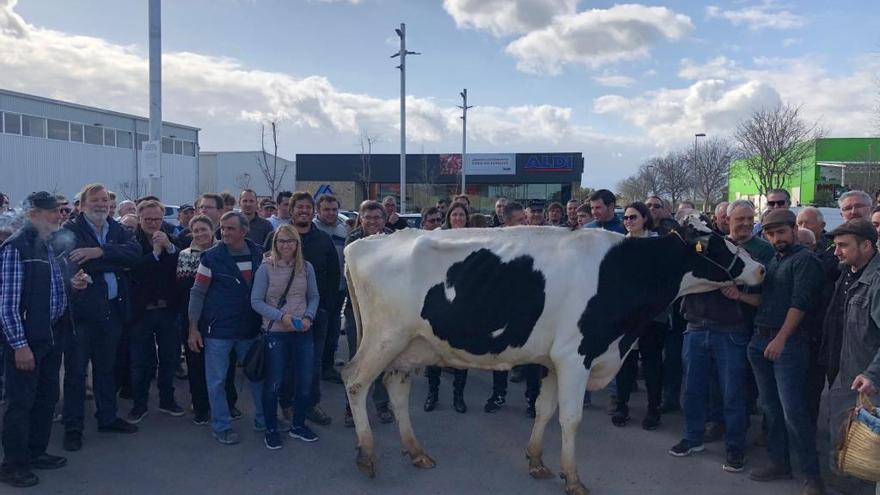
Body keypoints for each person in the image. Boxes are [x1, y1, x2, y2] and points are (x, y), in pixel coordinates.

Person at [668, 199, 774, 473]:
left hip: (731, 331)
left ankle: (735, 449)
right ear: (725, 220)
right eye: (740, 219)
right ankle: (692, 439)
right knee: (692, 390)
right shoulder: (709, 245)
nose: (746, 224)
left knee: (733, 394)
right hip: (695, 327)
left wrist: (739, 295)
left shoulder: (763, 250)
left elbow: (767, 298)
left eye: (751, 219)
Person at [0, 192, 84, 488]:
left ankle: (35, 452)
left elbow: (51, 288)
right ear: (33, 214)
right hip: (27, 341)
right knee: (20, 404)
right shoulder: (16, 248)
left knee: (46, 398)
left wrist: (72, 284)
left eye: (61, 211)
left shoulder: (49, 244)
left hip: (51, 336)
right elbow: (7, 304)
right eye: (53, 212)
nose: (59, 216)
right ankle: (13, 465)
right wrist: (19, 345)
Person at [738, 209, 826, 494]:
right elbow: (768, 299)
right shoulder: (775, 261)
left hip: (787, 344)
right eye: (770, 234)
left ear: (792, 230)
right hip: (760, 340)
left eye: (781, 232)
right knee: (770, 407)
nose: (776, 238)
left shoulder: (805, 261)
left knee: (793, 411)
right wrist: (738, 294)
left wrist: (782, 338)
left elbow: (799, 303)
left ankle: (812, 477)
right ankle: (779, 462)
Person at [61, 184, 140, 453]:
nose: (101, 204)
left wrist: (99, 252)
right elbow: (71, 261)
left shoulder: (116, 228)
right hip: (82, 315)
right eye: (94, 200)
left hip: (112, 314)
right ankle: (73, 428)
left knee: (106, 370)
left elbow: (135, 253)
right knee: (75, 374)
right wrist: (115, 259)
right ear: (82, 205)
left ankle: (107, 418)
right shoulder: (70, 230)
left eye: (104, 200)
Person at [187, 211, 265, 445]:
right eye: (222, 227)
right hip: (218, 331)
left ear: (244, 231)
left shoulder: (259, 254)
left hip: (250, 329)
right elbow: (197, 292)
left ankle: (264, 419)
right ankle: (221, 426)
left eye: (230, 228)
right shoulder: (210, 258)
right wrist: (193, 328)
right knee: (217, 381)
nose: (224, 232)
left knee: (258, 376)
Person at [267, 192, 340, 427]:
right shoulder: (275, 236)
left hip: (316, 313)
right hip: (282, 315)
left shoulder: (323, 241)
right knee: (285, 362)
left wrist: (325, 308)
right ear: (290, 209)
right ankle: (286, 403)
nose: (303, 211)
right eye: (299, 207)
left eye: (308, 207)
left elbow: (333, 275)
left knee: (313, 362)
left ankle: (310, 404)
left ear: (313, 211)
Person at [821, 219, 880, 494]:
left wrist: (872, 374)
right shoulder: (850, 273)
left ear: (866, 245)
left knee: (863, 459)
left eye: (843, 246)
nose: (836, 252)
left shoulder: (876, 282)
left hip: (864, 384)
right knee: (843, 451)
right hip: (843, 376)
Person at [251, 224, 320, 449]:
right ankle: (271, 428)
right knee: (274, 382)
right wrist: (282, 317)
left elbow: (314, 296)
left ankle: (298, 425)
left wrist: (309, 316)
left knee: (305, 381)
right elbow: (256, 301)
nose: (286, 245)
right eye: (281, 241)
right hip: (276, 333)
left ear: (297, 244)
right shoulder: (266, 268)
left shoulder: (306, 267)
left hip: (302, 332)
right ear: (275, 243)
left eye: (291, 241)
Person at [125, 200, 183, 424]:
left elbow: (181, 266)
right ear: (139, 218)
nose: (152, 223)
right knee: (140, 361)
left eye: (156, 219)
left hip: (168, 310)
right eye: (147, 219)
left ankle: (167, 400)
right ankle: (140, 405)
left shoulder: (171, 239)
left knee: (169, 358)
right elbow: (135, 271)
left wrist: (168, 248)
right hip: (141, 312)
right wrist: (155, 255)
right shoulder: (131, 241)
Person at [612, 202, 664, 431]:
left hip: (653, 316)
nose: (628, 221)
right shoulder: (620, 244)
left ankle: (654, 409)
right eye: (626, 218)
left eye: (633, 217)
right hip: (627, 316)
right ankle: (622, 405)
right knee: (625, 363)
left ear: (644, 218)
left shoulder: (657, 243)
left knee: (652, 363)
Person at [343, 201, 393, 426]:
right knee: (358, 359)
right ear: (361, 219)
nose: (372, 222)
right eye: (368, 217)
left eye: (377, 217)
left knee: (383, 358)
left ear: (384, 219)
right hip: (359, 310)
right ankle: (351, 406)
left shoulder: (394, 238)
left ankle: (382, 405)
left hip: (386, 311)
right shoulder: (353, 241)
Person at [424, 202, 471, 413]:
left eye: (462, 215)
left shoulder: (475, 238)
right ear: (449, 217)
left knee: (461, 352)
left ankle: (458, 397)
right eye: (455, 215)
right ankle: (432, 394)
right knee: (434, 350)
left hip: (464, 302)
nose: (458, 218)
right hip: (441, 300)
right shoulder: (438, 238)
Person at [312, 194, 349, 384]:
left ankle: (327, 367)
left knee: (333, 330)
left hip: (339, 289)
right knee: (318, 332)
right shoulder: (312, 230)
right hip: (318, 291)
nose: (331, 213)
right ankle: (314, 370)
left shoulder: (344, 230)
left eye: (334, 209)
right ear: (318, 210)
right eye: (326, 209)